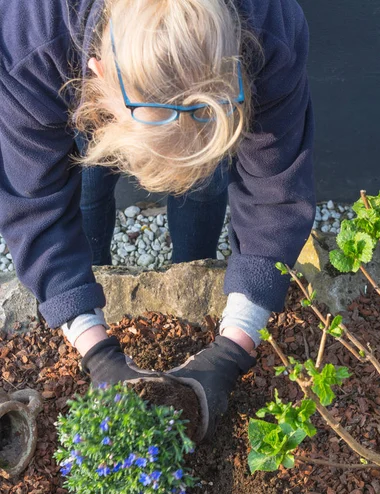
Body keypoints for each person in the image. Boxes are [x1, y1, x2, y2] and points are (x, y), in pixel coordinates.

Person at [0, 0, 315, 440]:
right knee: (88, 177)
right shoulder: (29, 36)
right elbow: (37, 203)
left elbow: (277, 191)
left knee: (204, 185)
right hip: (63, 62)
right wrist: (95, 348)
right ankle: (91, 274)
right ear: (97, 72)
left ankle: (194, 258)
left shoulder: (270, 29)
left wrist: (234, 345)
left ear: (237, 76)